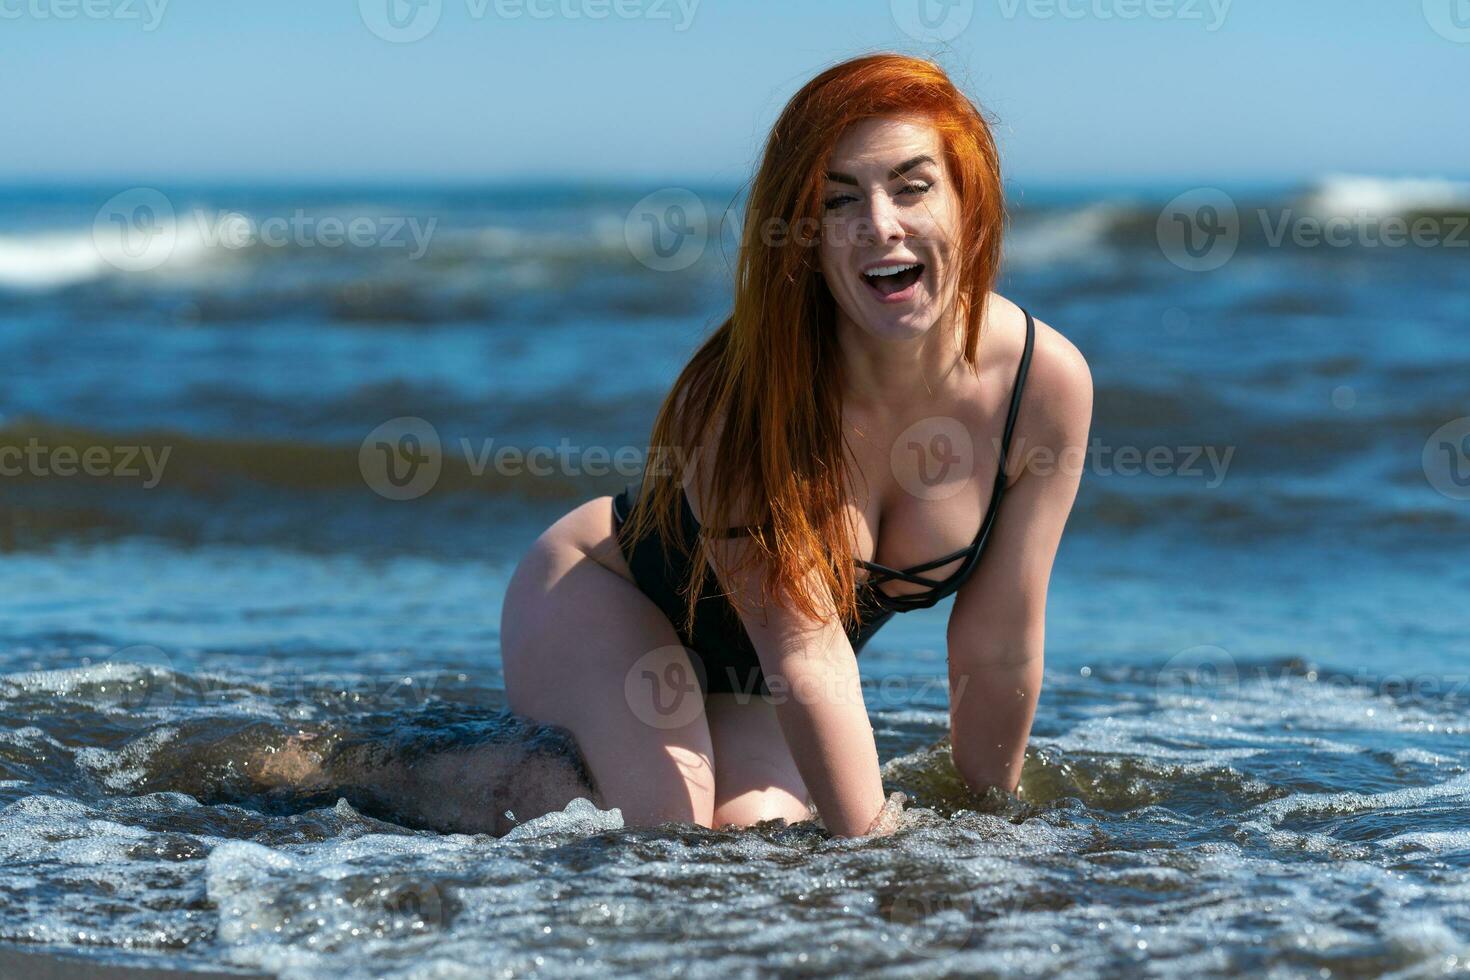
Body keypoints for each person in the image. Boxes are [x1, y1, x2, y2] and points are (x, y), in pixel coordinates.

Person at [500, 52, 1093, 839]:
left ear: (968, 202)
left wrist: (992, 831)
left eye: (913, 187)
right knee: (662, 838)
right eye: (838, 200)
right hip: (601, 596)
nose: (880, 223)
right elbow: (807, 655)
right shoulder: (745, 398)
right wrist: (883, 855)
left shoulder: (1042, 387)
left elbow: (999, 646)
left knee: (757, 839)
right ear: (805, 236)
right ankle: (409, 782)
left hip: (748, 677)